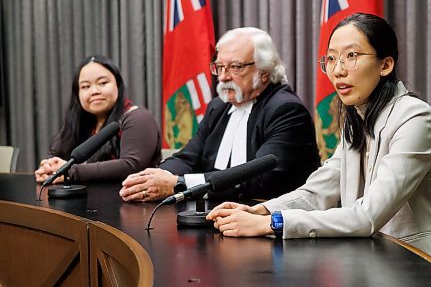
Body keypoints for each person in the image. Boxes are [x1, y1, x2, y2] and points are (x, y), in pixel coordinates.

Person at [206, 13, 431, 284]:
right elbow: (317, 192)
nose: (337, 70)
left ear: (385, 65)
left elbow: (367, 215)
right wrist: (261, 211)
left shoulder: (415, 119)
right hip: (379, 265)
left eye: (351, 56)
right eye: (332, 59)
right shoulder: (357, 118)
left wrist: (274, 224)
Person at [119, 27, 320, 202]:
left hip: (270, 223)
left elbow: (259, 180)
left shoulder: (286, 110)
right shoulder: (219, 106)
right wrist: (155, 177)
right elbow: (189, 157)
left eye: (235, 67)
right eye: (220, 67)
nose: (223, 77)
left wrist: (178, 184)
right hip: (218, 212)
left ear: (264, 72)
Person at [35, 55, 162, 183]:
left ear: (118, 85)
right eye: (85, 86)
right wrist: (49, 168)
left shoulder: (137, 117)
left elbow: (131, 165)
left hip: (129, 200)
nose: (94, 91)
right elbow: (56, 154)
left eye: (102, 83)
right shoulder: (80, 122)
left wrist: (69, 171)